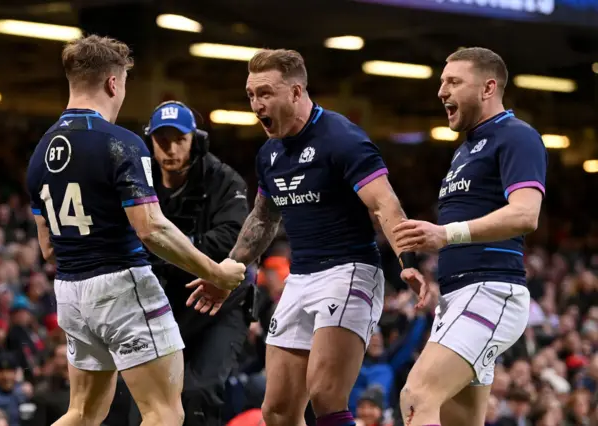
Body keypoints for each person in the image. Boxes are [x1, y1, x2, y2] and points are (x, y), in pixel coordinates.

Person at [186, 48, 427, 426]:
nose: (255, 104)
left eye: (265, 93)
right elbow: (262, 219)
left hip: (350, 271)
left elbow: (385, 205)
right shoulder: (268, 154)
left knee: (325, 395)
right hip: (301, 278)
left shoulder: (342, 138)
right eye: (250, 95)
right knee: (277, 410)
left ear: (297, 92)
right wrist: (225, 274)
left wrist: (407, 263)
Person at [25, 35, 246, 426]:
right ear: (113, 83)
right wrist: (216, 273)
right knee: (164, 412)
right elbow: (151, 230)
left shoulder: (40, 152)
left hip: (70, 292)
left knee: (82, 413)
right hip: (121, 287)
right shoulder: (120, 144)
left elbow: (47, 247)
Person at [392, 47, 547, 426]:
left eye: (453, 82)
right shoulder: (464, 150)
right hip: (459, 295)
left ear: (488, 87)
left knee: (417, 396)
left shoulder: (517, 136)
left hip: (491, 292)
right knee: (456, 419)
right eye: (442, 82)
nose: (441, 92)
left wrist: (446, 234)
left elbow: (526, 214)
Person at [133, 100, 251, 425]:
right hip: (164, 301)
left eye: (179, 139)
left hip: (219, 305)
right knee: (144, 400)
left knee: (199, 391)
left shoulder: (225, 181)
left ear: (195, 140)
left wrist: (168, 248)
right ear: (150, 143)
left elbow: (232, 239)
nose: (170, 149)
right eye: (161, 140)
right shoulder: (137, 181)